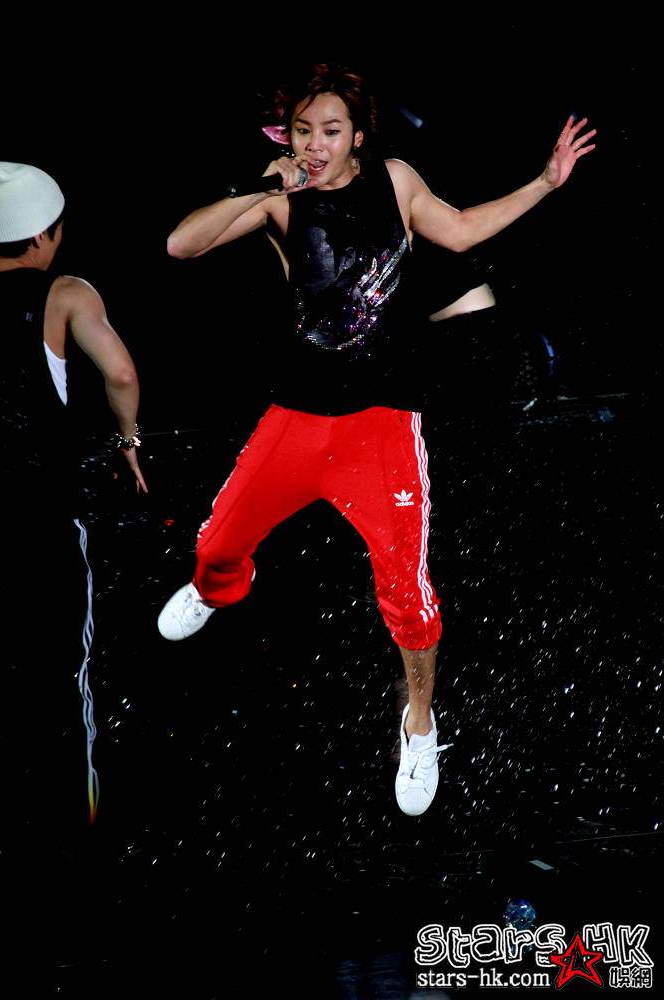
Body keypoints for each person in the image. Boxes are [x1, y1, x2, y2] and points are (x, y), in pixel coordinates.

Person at [157, 64, 595, 816]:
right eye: (303, 132)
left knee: (408, 597)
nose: (316, 145)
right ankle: (214, 591)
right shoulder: (280, 199)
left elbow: (460, 229)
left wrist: (546, 184)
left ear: (358, 136)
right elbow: (179, 245)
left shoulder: (395, 179)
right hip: (296, 419)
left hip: (381, 425)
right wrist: (259, 186)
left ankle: (419, 724)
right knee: (216, 547)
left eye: (331, 131)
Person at [0, 162, 147, 849]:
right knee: (63, 676)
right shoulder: (64, 292)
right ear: (43, 236)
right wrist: (128, 439)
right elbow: (120, 371)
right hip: (42, 516)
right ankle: (73, 840)